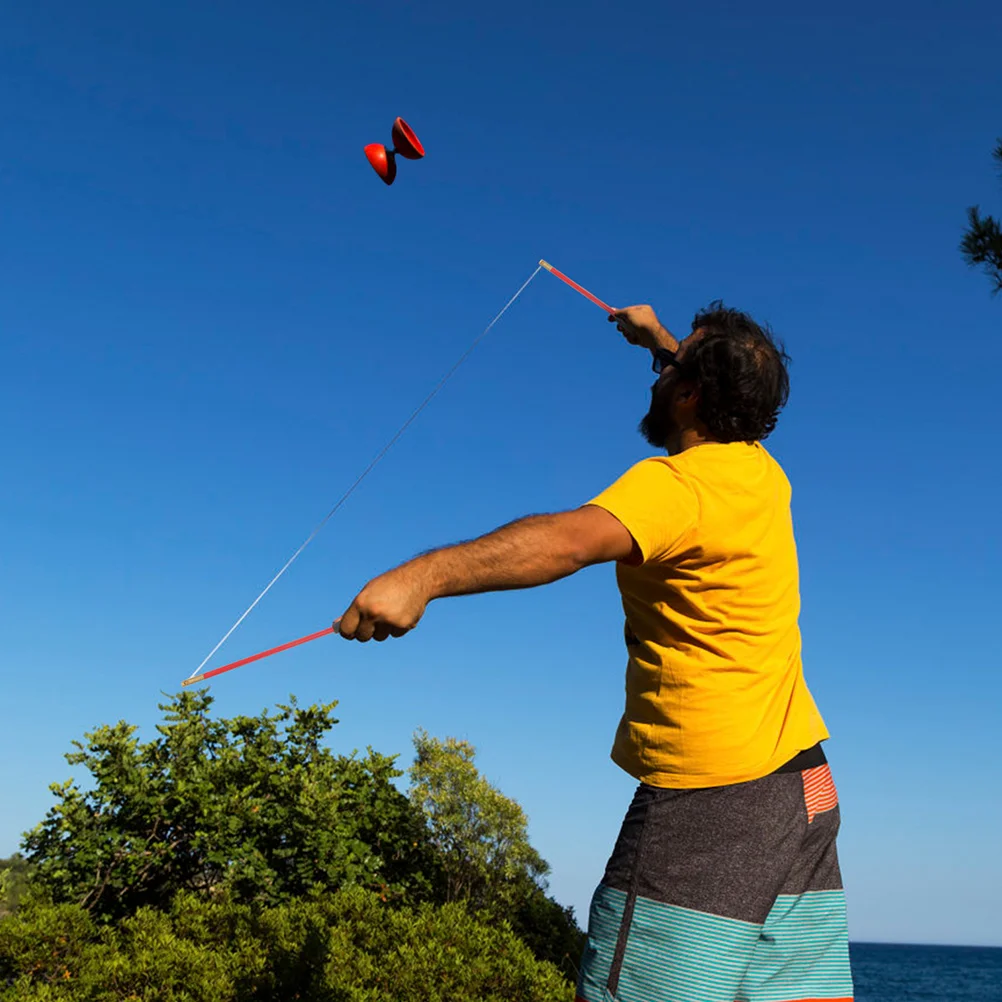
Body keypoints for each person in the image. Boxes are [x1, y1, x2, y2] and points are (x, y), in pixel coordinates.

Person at [336, 301, 853, 1002]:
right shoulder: (761, 474)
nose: (658, 376)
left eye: (672, 367)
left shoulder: (675, 486)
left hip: (711, 808)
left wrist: (420, 578)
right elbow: (718, 383)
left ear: (691, 391)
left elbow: (566, 541)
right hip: (804, 791)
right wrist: (665, 342)